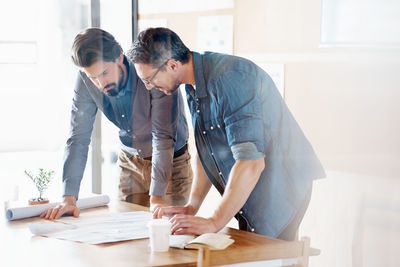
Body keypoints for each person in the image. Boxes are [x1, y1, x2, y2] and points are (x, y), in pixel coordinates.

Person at [128, 27, 326, 241]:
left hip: (282, 185)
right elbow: (206, 152)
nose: (148, 87)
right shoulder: (192, 84)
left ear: (172, 65)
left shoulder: (231, 79)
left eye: (149, 79)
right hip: (254, 184)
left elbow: (251, 162)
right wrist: (192, 207)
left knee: (270, 257)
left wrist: (214, 221)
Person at [41, 28, 192, 220]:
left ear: (120, 57)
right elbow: (78, 138)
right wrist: (68, 199)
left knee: (169, 237)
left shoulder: (149, 70)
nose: (100, 83)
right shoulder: (86, 80)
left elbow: (162, 138)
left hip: (171, 163)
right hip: (129, 163)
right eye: (93, 77)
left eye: (104, 73)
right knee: (126, 234)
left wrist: (157, 198)